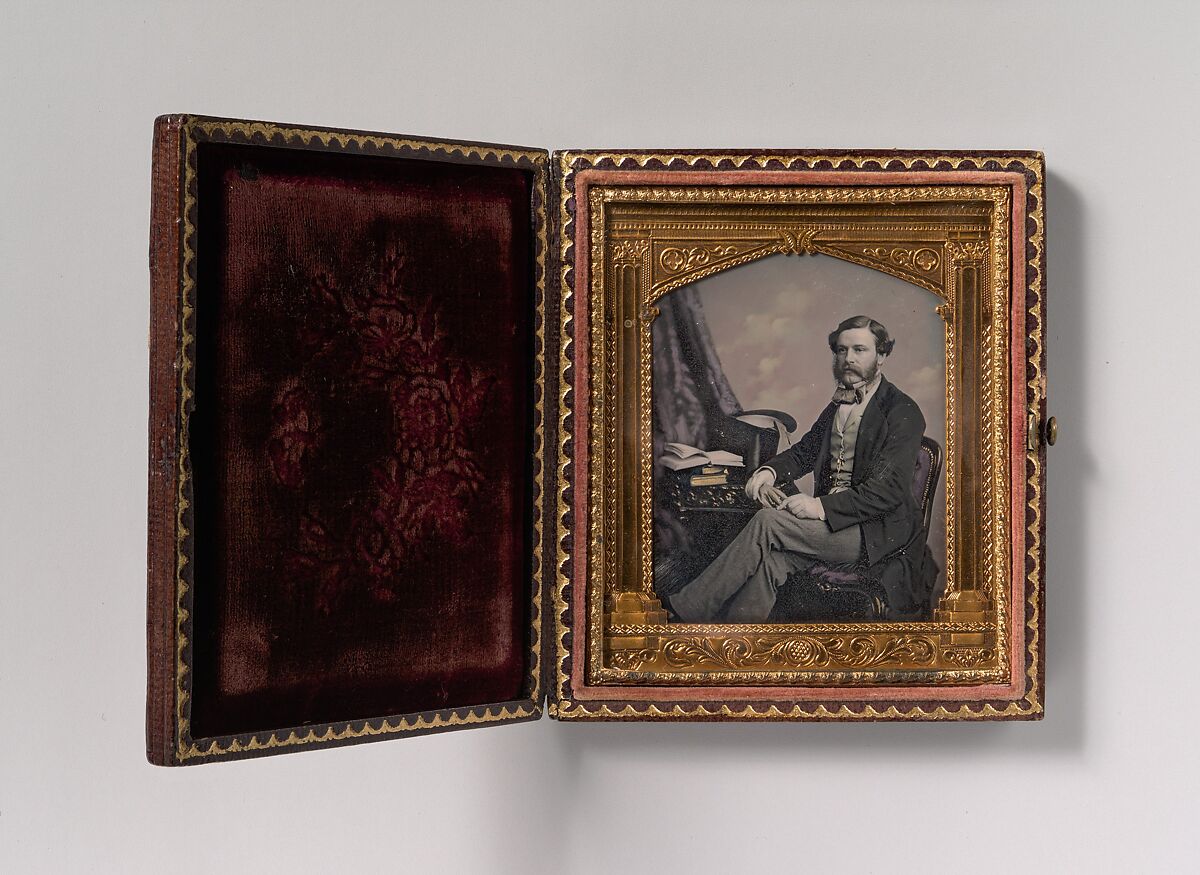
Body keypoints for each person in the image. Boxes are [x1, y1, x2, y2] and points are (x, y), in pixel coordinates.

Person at [664, 315, 928, 623]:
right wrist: (768, 472)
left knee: (767, 522)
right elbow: (805, 451)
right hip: (836, 527)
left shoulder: (902, 411)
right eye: (841, 351)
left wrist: (818, 506)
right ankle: (740, 645)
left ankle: (685, 612)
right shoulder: (838, 403)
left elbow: (887, 492)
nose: (848, 359)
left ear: (881, 355)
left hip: (875, 533)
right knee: (772, 563)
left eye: (860, 350)